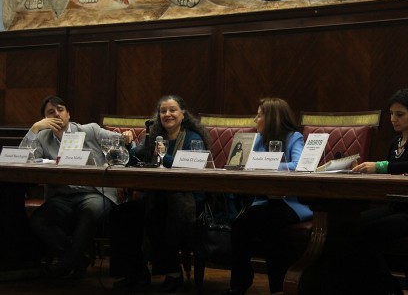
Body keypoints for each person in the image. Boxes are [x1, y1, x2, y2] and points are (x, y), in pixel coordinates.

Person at [110, 95, 210, 293]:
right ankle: (135, 273)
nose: (167, 114)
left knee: (159, 213)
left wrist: (166, 157)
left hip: (188, 199)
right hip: (155, 196)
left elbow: (195, 167)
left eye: (172, 110)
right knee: (123, 213)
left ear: (183, 114)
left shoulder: (193, 138)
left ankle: (173, 274)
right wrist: (128, 146)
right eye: (163, 111)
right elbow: (133, 161)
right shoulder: (154, 136)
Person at [21, 95, 123, 279]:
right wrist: (34, 129)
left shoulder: (89, 130)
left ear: (69, 113)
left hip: (94, 193)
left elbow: (118, 140)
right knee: (38, 220)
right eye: (51, 112)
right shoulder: (43, 137)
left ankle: (67, 263)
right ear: (45, 119)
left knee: (90, 211)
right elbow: (23, 157)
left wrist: (126, 136)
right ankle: (76, 259)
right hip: (63, 196)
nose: (57, 114)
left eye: (60, 110)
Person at [349, 88, 408, 294]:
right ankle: (375, 285)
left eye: (400, 114)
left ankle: (389, 288)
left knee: (366, 232)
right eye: (391, 114)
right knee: (350, 225)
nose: (393, 119)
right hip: (395, 206)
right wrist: (363, 170)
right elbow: (390, 175)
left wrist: (380, 166)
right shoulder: (395, 142)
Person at [223, 97, 313, 295]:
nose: (255, 120)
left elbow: (299, 166)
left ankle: (278, 289)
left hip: (290, 203)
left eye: (259, 115)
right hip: (264, 201)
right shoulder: (256, 140)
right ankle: (239, 284)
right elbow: (243, 163)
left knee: (273, 228)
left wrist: (267, 164)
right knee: (240, 226)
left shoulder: (293, 137)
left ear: (271, 118)